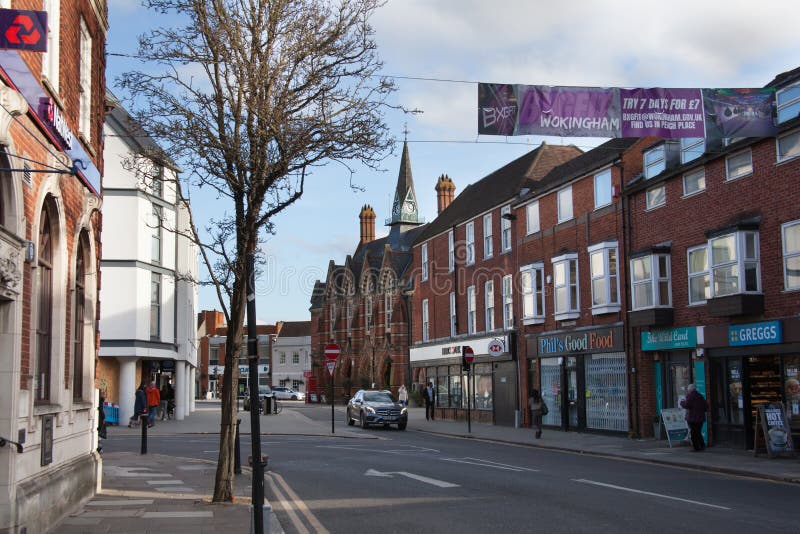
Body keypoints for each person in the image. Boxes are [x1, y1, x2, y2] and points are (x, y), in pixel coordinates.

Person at [680, 383, 708, 451]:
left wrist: (682, 403)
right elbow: (706, 407)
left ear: (690, 390)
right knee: (698, 432)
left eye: (688, 390)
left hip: (693, 418)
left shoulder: (690, 396)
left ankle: (696, 447)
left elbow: (687, 405)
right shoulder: (700, 396)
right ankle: (702, 445)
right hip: (700, 418)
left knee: (694, 433)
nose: (688, 391)